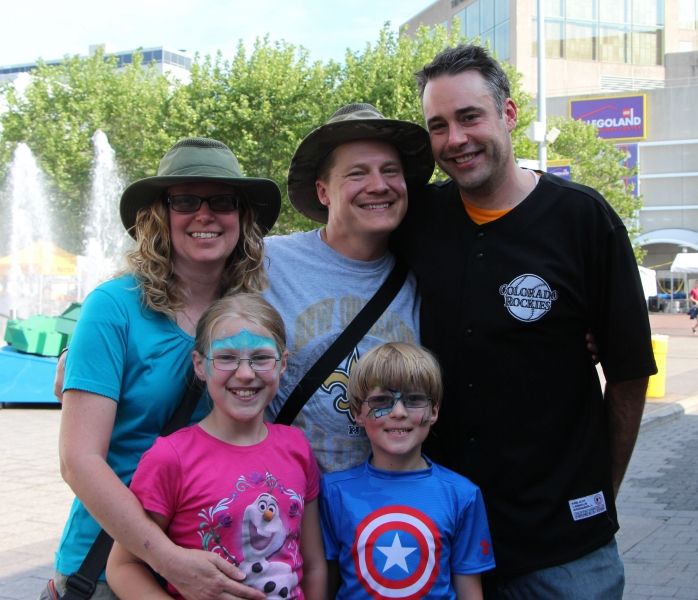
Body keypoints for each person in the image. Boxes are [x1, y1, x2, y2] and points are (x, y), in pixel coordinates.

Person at [391, 44, 657, 599]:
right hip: (446, 540)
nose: (455, 139)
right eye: (438, 126)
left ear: (508, 114)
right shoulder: (420, 220)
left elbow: (629, 372)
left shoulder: (583, 219)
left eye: (470, 117)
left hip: (564, 549)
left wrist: (602, 488)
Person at [46, 138, 281, 600]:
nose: (204, 215)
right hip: (108, 569)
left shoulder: (252, 312)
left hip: (221, 565)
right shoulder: (112, 307)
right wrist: (168, 559)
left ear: (241, 216)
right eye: (186, 201)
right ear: (160, 214)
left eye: (222, 202)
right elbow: (79, 460)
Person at [106, 293, 326, 599]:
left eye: (261, 358)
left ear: (283, 363)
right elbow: (123, 566)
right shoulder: (170, 458)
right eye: (226, 358)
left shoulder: (297, 448)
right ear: (200, 365)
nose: (245, 374)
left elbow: (314, 564)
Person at [263, 103, 434, 473]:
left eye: (390, 171)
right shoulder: (266, 262)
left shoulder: (427, 274)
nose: (379, 185)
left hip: (385, 499)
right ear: (323, 191)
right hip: (286, 495)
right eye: (358, 173)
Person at [320, 342, 495, 599]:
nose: (399, 412)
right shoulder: (333, 492)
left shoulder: (462, 495)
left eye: (414, 400)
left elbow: (470, 592)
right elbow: (322, 584)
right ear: (358, 412)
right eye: (381, 400)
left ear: (433, 410)